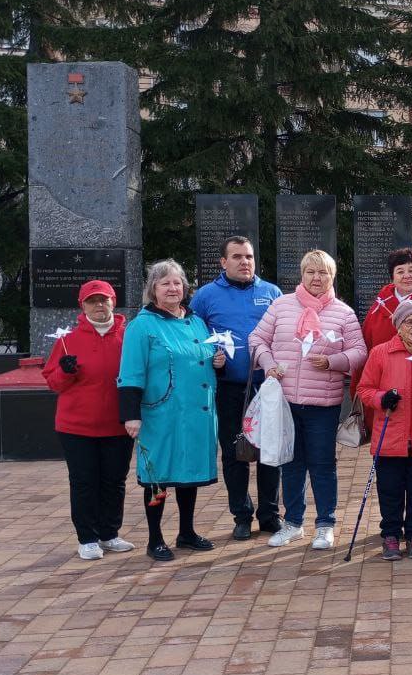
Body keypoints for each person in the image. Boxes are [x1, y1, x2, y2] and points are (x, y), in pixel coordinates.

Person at [249, 250, 367, 551]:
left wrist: (334, 361)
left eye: (323, 273)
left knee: (323, 465)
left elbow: (359, 352)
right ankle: (293, 523)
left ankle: (325, 524)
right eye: (311, 272)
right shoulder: (281, 306)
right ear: (302, 275)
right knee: (291, 464)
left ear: (332, 277)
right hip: (285, 402)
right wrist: (268, 361)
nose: (317, 278)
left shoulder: (343, 313)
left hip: (323, 406)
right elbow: (256, 340)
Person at [118, 260, 222, 562]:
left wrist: (217, 361)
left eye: (177, 283)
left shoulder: (196, 322)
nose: (173, 288)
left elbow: (203, 356)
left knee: (188, 472)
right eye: (165, 284)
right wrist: (131, 414)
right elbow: (130, 372)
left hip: (196, 413)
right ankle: (155, 538)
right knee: (158, 476)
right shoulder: (142, 326)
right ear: (153, 289)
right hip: (161, 414)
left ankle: (186, 531)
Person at [190, 235, 283, 541]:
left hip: (267, 387)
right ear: (223, 262)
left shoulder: (272, 293)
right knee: (235, 454)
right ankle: (241, 515)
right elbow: (193, 340)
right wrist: (210, 358)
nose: (245, 262)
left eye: (249, 256)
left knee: (270, 451)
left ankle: (270, 515)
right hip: (228, 388)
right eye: (237, 257)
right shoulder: (205, 297)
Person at [43, 279, 135, 561]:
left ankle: (109, 533)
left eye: (103, 300)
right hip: (77, 427)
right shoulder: (67, 341)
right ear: (82, 306)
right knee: (84, 482)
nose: (98, 306)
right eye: (92, 301)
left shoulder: (128, 337)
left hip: (116, 425)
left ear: (113, 302)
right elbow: (54, 383)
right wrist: (66, 372)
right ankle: (87, 537)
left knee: (114, 481)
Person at [356, 299, 412, 561]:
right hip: (390, 438)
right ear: (398, 325)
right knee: (390, 490)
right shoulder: (381, 353)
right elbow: (365, 389)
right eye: (409, 322)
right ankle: (391, 534)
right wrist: (382, 398)